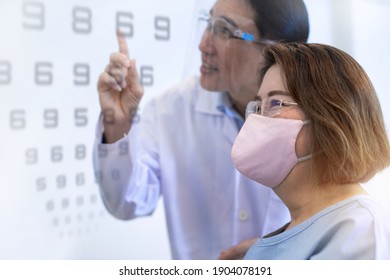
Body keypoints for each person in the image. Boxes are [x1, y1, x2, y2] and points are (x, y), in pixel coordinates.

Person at [93, 0, 309, 259]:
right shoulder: (170, 111)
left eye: (224, 31)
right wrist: (118, 126)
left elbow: (338, 218)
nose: (203, 45)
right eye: (208, 24)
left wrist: (281, 251)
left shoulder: (314, 120)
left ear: (277, 51)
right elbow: (126, 202)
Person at [231, 42, 390, 259]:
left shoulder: (358, 230)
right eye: (258, 107)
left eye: (276, 103)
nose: (258, 119)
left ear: (331, 119)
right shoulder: (297, 229)